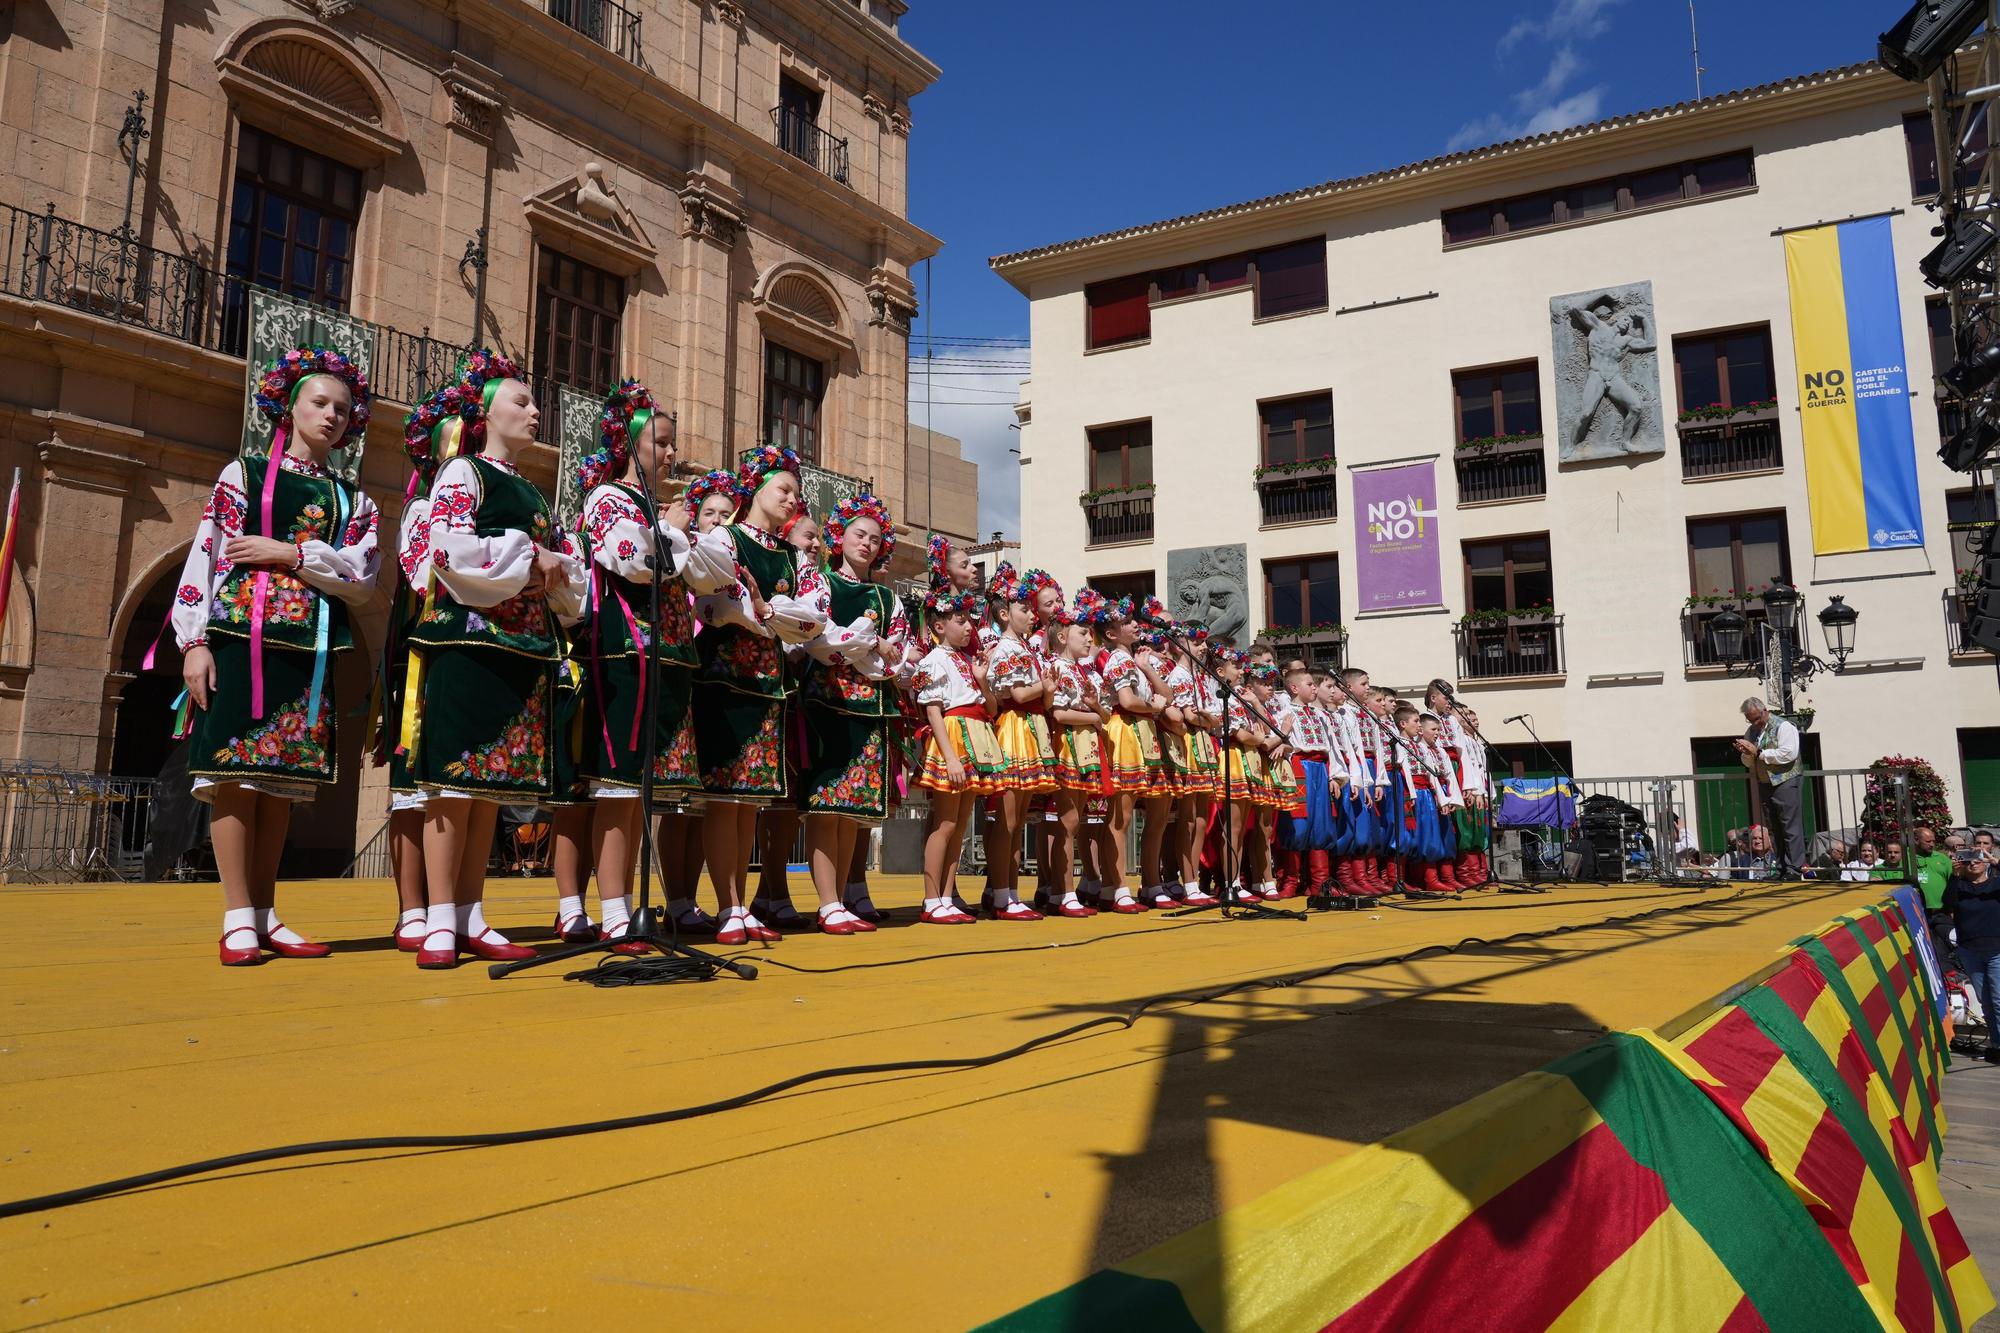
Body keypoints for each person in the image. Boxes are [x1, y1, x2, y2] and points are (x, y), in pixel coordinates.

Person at [173, 346, 380, 965]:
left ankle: (265, 912)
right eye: (320, 402)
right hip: (240, 641)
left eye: (343, 408)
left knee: (280, 781)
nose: (333, 415)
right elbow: (208, 555)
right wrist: (196, 642)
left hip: (307, 650)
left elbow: (362, 578)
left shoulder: (355, 501)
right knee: (236, 776)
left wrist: (287, 554)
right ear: (288, 408)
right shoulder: (245, 474)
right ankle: (238, 916)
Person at [402, 353, 586, 969]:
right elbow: (448, 552)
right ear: (486, 413)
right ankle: (435, 918)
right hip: (469, 644)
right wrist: (529, 559)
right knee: (453, 784)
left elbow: (569, 579)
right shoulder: (462, 474)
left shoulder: (533, 493)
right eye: (522, 402)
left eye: (534, 405)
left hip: (523, 648)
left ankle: (469, 912)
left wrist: (549, 568)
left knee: (489, 788)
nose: (535, 412)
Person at [568, 382, 707, 952]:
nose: (671, 454)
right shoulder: (606, 499)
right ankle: (615, 910)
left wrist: (674, 535)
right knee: (618, 789)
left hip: (666, 659)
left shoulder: (657, 509)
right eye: (662, 442)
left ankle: (631, 903)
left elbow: (696, 568)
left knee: (645, 792)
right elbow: (636, 559)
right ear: (630, 444)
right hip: (625, 654)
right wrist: (674, 533)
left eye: (673, 444)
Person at [687, 445, 827, 945]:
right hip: (724, 679)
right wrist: (767, 615)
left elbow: (813, 620)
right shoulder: (725, 538)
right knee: (726, 799)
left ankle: (739, 905)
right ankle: (727, 906)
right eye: (783, 489)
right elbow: (712, 601)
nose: (792, 499)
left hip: (768, 685)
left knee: (749, 803)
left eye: (796, 492)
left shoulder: (792, 556)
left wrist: (770, 613)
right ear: (757, 489)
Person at [796, 493, 908, 936]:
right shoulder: (821, 584)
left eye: (875, 538)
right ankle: (827, 903)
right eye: (859, 534)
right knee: (827, 803)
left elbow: (899, 656)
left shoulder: (886, 597)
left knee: (851, 807)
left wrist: (872, 651)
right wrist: (869, 645)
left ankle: (840, 898)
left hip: (870, 707)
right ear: (838, 538)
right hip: (829, 702)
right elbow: (817, 640)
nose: (866, 543)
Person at [749, 510, 825, 928]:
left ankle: (772, 890)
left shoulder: (814, 579)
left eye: (817, 539)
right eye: (808, 537)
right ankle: (766, 891)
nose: (814, 545)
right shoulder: (776, 568)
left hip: (799, 694)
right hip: (772, 683)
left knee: (789, 799)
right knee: (768, 797)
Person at [912, 588, 1002, 923]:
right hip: (952, 736)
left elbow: (990, 708)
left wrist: (982, 681)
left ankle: (947, 896)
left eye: (969, 621)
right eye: (960, 621)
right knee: (945, 822)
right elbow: (933, 710)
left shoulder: (968, 662)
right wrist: (949, 757)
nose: (969, 627)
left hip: (974, 734)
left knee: (960, 823)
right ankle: (932, 898)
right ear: (939, 626)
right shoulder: (933, 660)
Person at [985, 565, 1062, 916]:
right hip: (1015, 727)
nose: (1032, 615)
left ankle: (1010, 891)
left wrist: (1048, 693)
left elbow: (1038, 698)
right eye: (1025, 609)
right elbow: (1015, 695)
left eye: (1032, 609)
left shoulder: (1025, 650)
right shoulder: (1004, 648)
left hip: (1031, 727)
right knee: (1008, 819)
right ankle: (1001, 892)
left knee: (1018, 821)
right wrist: (1043, 688)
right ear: (1005, 614)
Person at [1734, 698, 1805, 876]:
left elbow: (1788, 753)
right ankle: (1781, 867)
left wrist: (1759, 753)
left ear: (1765, 711)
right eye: (1750, 720)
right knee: (1774, 828)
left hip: (1785, 780)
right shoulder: (1751, 731)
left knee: (1790, 827)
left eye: (1757, 719)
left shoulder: (1784, 726)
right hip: (1766, 782)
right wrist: (1746, 754)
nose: (1754, 723)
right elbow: (1750, 761)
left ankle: (1794, 868)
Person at [1945, 849, 2000, 1059]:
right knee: (1985, 1000)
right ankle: (1996, 1045)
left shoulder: (1996, 884)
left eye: (1978, 859)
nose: (1973, 864)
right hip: (1970, 950)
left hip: (1997, 949)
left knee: (1998, 1000)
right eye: (1968, 860)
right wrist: (1954, 875)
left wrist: (1996, 863)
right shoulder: (1960, 886)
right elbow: (1947, 903)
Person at [1913, 825, 1955, 912]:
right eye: (1928, 841)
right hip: (1916, 910)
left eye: (1933, 841)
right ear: (1916, 840)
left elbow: (1953, 882)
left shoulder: (1942, 858)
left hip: (1941, 910)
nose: (1932, 844)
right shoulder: (1907, 858)